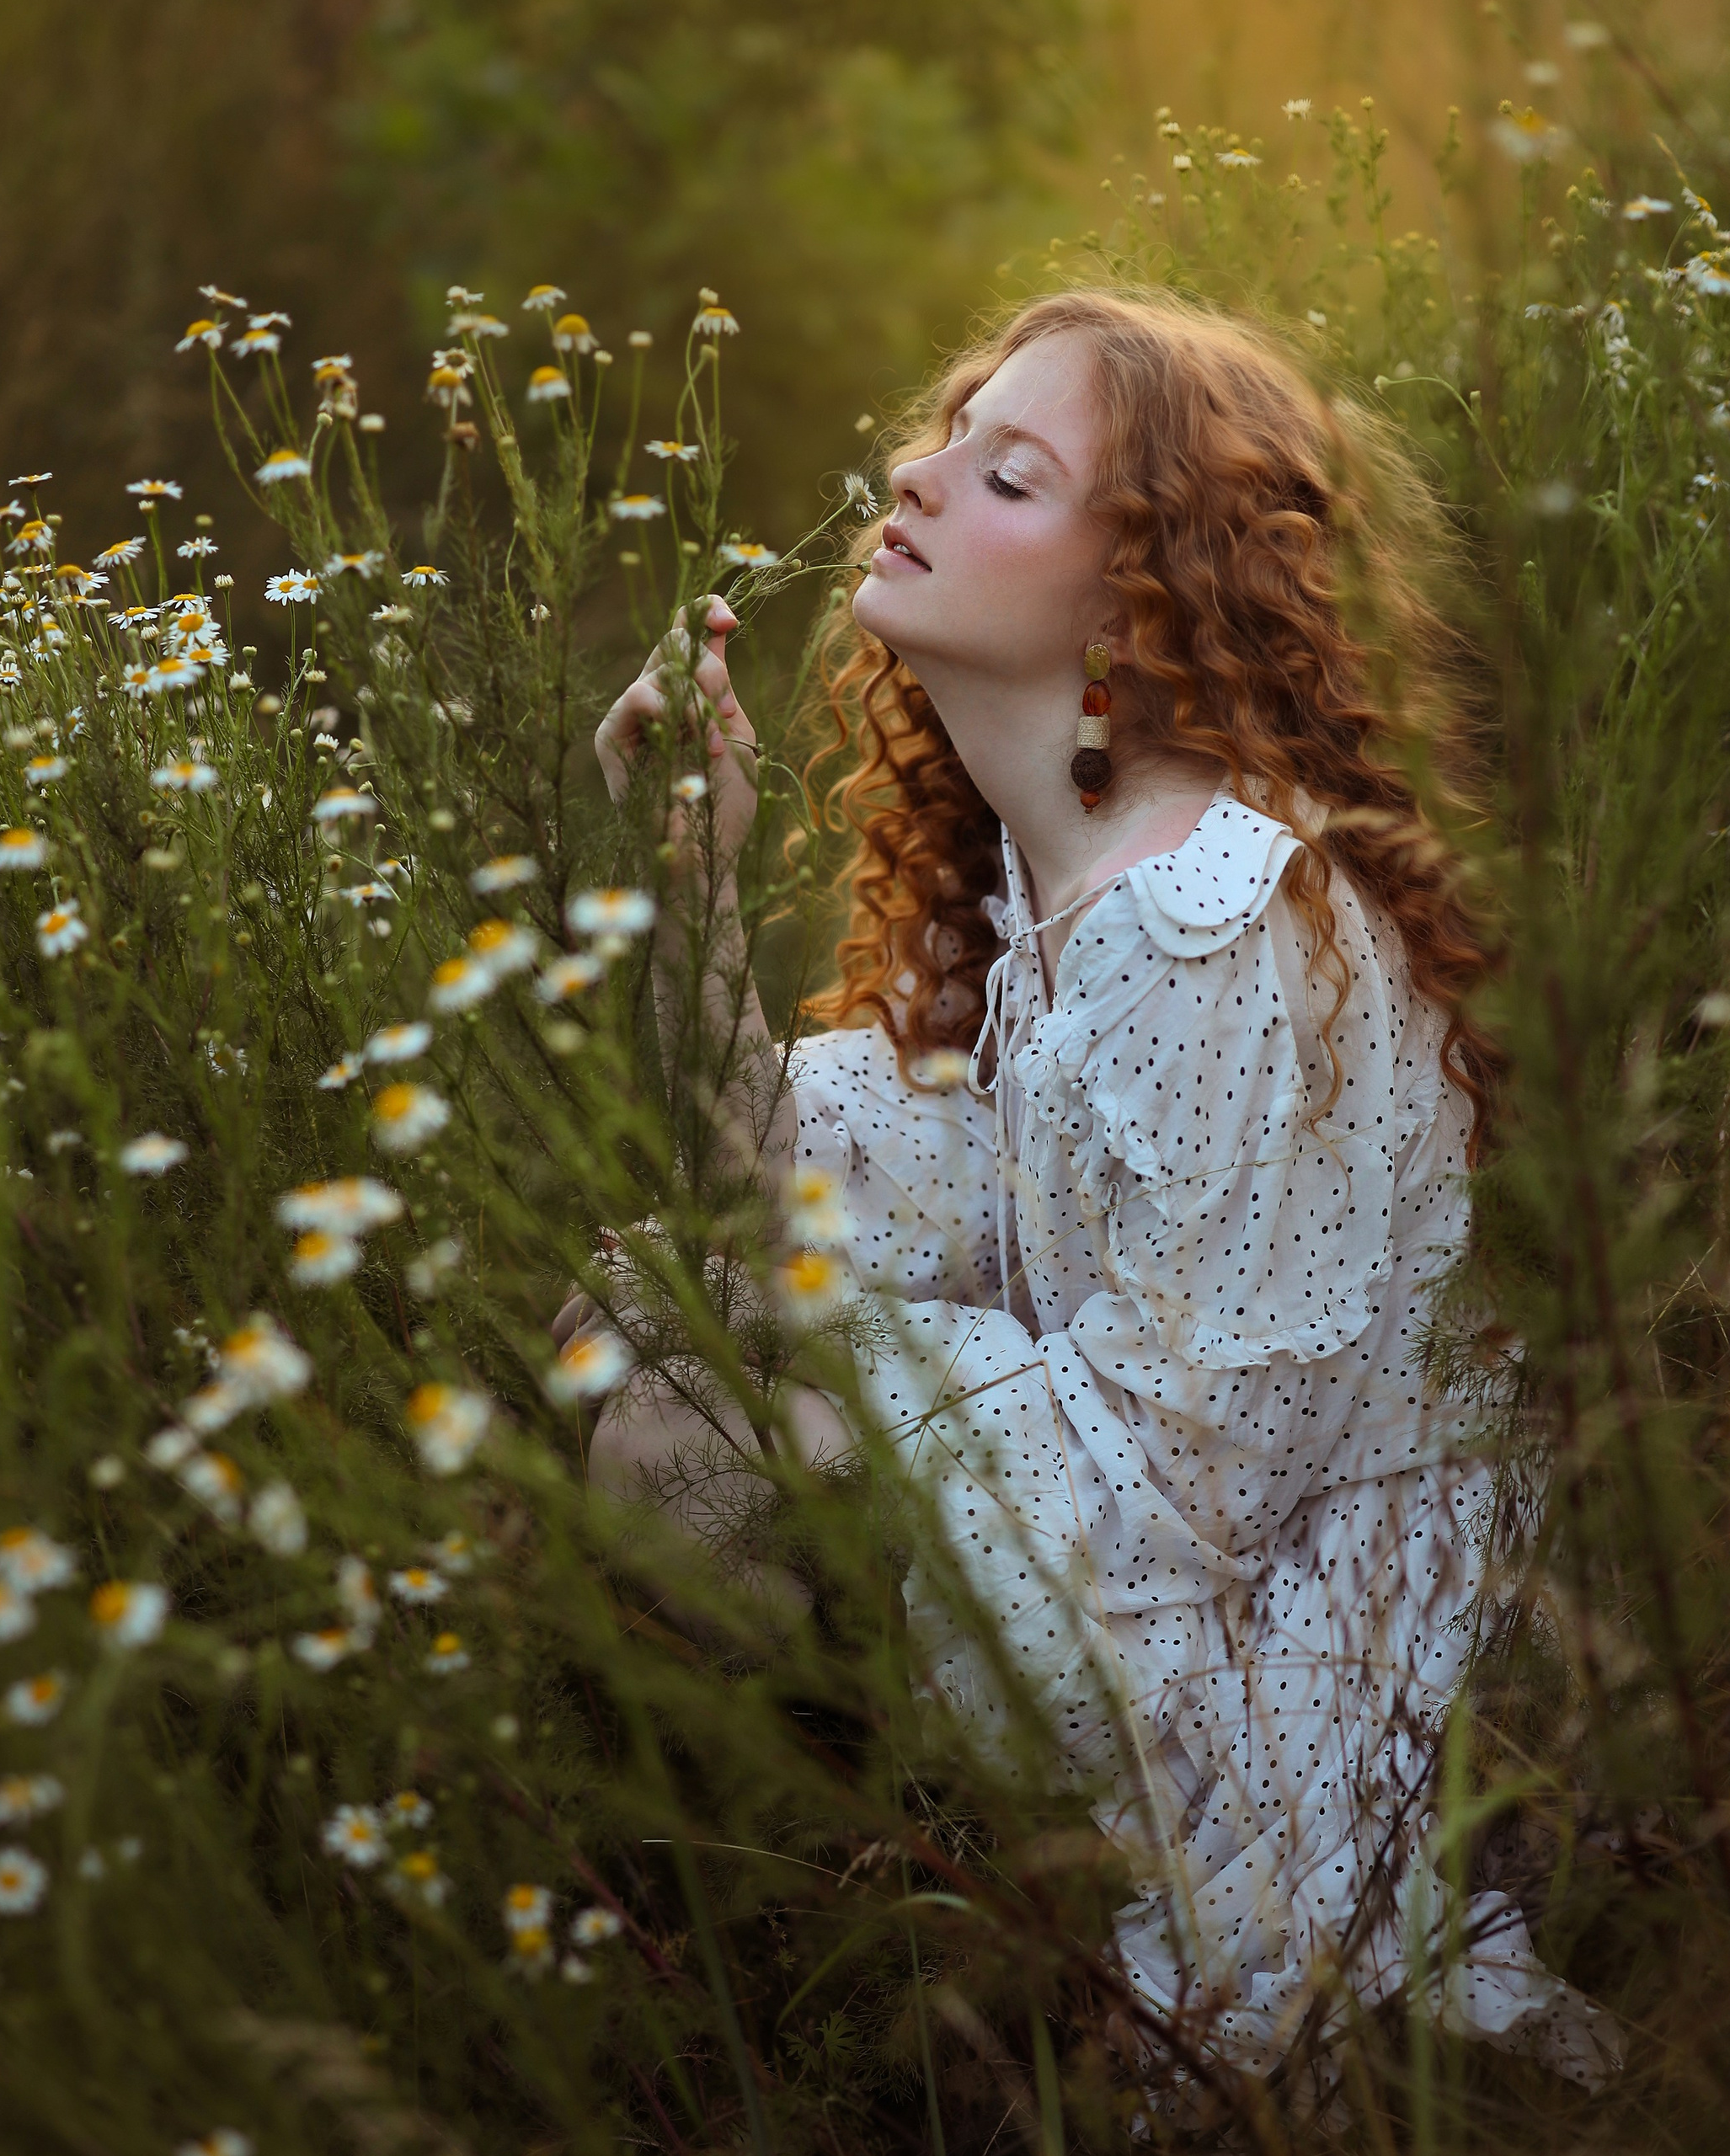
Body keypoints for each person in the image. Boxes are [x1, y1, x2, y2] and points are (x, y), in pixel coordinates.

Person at [574, 288, 1617, 2087]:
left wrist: (783, 1323)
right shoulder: (1084, 905)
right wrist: (691, 879)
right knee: (646, 1335)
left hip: (1287, 1683)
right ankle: (794, 1933)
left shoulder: (1201, 925)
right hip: (1180, 1589)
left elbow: (1187, 1484)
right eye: (944, 433)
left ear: (1133, 590)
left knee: (674, 1417)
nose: (912, 469)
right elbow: (798, 1200)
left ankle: (796, 1968)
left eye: (1004, 468)